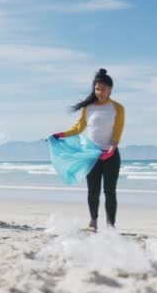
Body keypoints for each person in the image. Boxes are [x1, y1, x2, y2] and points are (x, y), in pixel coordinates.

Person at [53, 68, 125, 230]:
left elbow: (118, 131)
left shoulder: (117, 108)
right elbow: (79, 128)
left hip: (111, 155)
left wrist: (111, 149)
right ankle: (93, 220)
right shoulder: (89, 107)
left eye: (103, 89)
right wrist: (61, 134)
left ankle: (110, 224)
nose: (100, 92)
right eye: (97, 88)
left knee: (109, 191)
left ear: (110, 89)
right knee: (93, 191)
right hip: (91, 155)